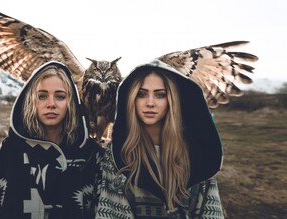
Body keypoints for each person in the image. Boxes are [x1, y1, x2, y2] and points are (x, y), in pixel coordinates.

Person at [93, 59, 224, 218]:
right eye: (141, 94)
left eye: (160, 95)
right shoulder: (116, 155)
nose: (150, 103)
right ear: (131, 99)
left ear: (172, 100)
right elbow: (111, 212)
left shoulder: (199, 155)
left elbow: (211, 212)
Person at [0, 61, 101, 219]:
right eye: (42, 96)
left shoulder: (91, 154)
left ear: (71, 102)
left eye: (60, 96)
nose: (51, 104)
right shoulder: (8, 151)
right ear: (31, 100)